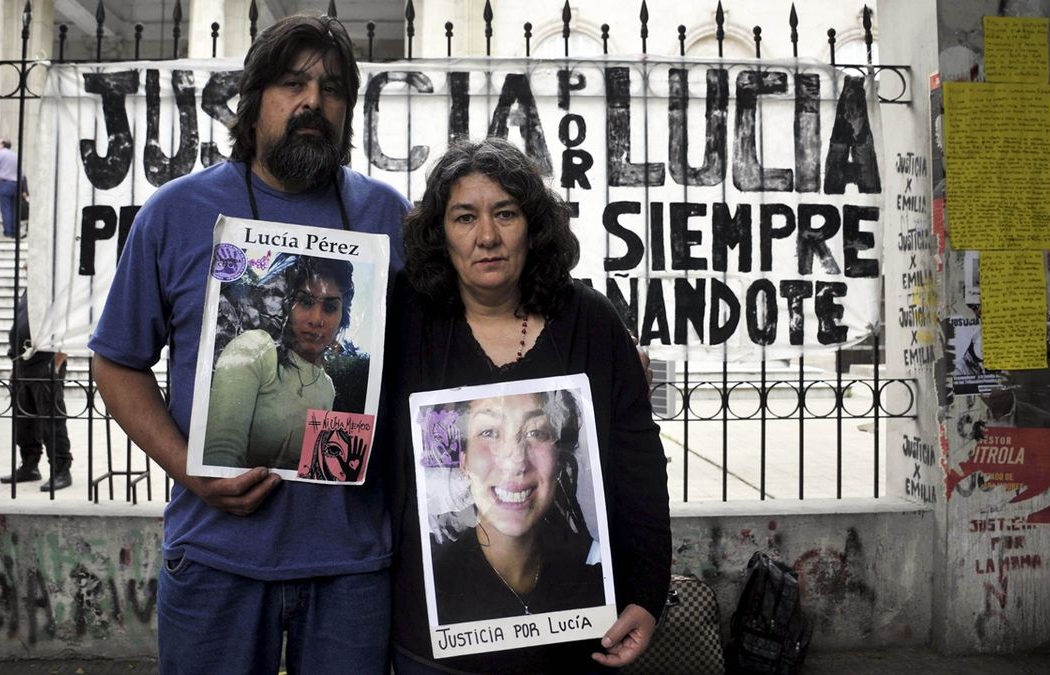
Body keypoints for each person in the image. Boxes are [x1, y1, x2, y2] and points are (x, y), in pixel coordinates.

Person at [89, 14, 408, 674]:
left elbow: (459, 334)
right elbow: (117, 360)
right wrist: (187, 465)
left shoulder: (386, 215)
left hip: (352, 571)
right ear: (254, 97)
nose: (313, 102)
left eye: (333, 88)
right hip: (216, 562)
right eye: (293, 83)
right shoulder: (174, 213)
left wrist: (594, 349)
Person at [384, 138, 672, 674]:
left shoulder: (590, 323)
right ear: (439, 234)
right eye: (464, 217)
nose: (487, 237)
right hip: (431, 650)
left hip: (574, 647)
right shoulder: (403, 319)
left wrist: (646, 594)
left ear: (533, 226)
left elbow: (639, 471)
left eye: (506, 214)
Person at [425, 390, 606, 625]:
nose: (516, 460)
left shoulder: (595, 575)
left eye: (536, 432)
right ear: (464, 462)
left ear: (559, 459)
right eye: (489, 432)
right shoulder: (434, 585)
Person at [202, 255, 355, 470]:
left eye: (330, 308)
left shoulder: (326, 387)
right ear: (286, 306)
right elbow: (219, 457)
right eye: (306, 302)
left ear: (342, 318)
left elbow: (314, 467)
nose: (316, 319)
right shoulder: (255, 349)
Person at [1, 291, 73, 491]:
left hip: (45, 362)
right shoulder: (30, 290)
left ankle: (61, 470)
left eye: (29, 261)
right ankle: (29, 465)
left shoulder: (55, 289)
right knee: (24, 419)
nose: (24, 266)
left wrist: (56, 365)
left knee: (52, 419)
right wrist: (15, 366)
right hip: (23, 363)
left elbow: (66, 329)